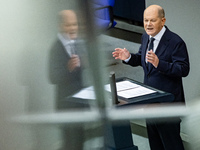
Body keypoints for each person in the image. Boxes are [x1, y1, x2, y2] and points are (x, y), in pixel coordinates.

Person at [112, 5, 190, 150]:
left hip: (168, 106)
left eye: (152, 20)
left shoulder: (175, 42)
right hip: (149, 103)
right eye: (145, 20)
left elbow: (183, 69)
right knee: (155, 145)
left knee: (172, 146)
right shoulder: (145, 37)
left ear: (163, 20)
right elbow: (144, 60)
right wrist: (129, 57)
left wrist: (160, 63)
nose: (148, 24)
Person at [49, 10, 86, 109]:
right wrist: (68, 69)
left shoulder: (78, 43)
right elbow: (52, 77)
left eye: (75, 24)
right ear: (60, 26)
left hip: (80, 100)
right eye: (68, 25)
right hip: (66, 103)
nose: (73, 28)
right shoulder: (56, 48)